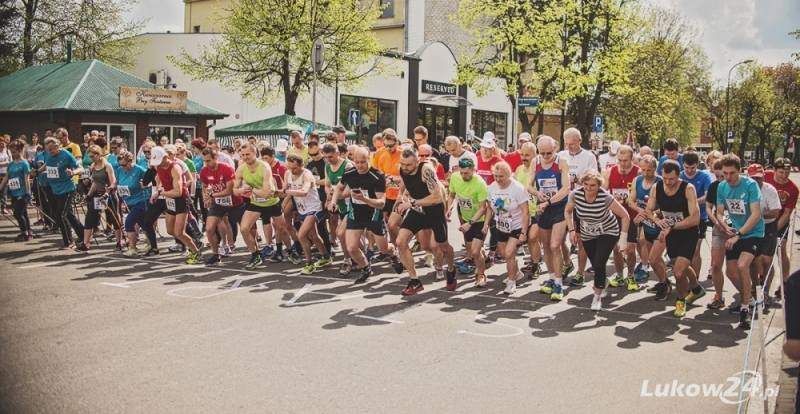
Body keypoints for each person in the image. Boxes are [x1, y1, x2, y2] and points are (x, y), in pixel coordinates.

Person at [645, 159, 706, 317]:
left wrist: (672, 226)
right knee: (679, 266)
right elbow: (649, 210)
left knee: (678, 273)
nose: (668, 182)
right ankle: (697, 289)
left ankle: (681, 300)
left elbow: (695, 218)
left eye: (671, 179)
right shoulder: (657, 187)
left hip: (688, 233)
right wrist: (658, 221)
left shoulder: (688, 189)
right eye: (665, 178)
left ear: (679, 176)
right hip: (670, 233)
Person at [332, 147, 402, 283]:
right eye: (356, 162)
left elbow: (382, 203)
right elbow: (340, 187)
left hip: (373, 216)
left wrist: (365, 199)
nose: (359, 165)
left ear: (369, 158)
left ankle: (394, 253)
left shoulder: (377, 176)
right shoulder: (350, 172)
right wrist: (334, 201)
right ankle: (366, 267)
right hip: (355, 214)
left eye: (363, 162)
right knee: (351, 248)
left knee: (383, 248)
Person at [566, 169, 631, 310]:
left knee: (600, 263)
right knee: (596, 265)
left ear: (599, 186)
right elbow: (567, 211)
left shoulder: (605, 197)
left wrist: (623, 239)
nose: (589, 188)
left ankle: (597, 297)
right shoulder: (576, 195)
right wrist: (571, 230)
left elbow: (625, 215)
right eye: (586, 185)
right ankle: (602, 281)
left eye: (593, 186)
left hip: (608, 230)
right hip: (588, 232)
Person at [395, 147, 456, 295]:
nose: (405, 167)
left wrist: (411, 203)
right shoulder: (403, 168)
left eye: (408, 165)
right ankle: (414, 280)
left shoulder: (426, 170)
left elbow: (436, 198)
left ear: (417, 161)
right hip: (418, 210)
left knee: (443, 246)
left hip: (434, 211)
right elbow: (404, 179)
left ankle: (451, 269)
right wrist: (400, 196)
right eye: (402, 164)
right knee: (401, 241)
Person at [715, 154, 764, 329]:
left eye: (732, 173)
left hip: (753, 232)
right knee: (731, 272)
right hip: (734, 232)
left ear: (740, 171)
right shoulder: (722, 187)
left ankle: (745, 311)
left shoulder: (750, 186)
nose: (728, 177)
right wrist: (724, 225)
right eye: (725, 173)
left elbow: (756, 214)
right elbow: (719, 212)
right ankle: (750, 300)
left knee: (743, 266)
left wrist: (739, 234)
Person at [527, 135, 571, 301]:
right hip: (543, 207)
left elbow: (566, 188)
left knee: (554, 246)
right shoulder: (535, 162)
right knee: (545, 245)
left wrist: (549, 202)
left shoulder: (562, 161)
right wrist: (537, 193)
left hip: (559, 207)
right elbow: (529, 185)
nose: (545, 156)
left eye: (549, 153)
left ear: (555, 148)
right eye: (542, 153)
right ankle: (552, 278)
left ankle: (559, 284)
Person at [235, 143, 287, 269]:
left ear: (254, 153)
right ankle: (255, 255)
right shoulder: (241, 169)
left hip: (271, 202)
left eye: (247, 154)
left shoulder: (264, 167)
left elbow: (265, 194)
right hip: (256, 203)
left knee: (282, 229)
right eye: (242, 155)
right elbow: (235, 190)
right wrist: (242, 189)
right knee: (244, 229)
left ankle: (286, 250)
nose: (245, 157)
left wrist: (250, 189)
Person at [278, 154, 332, 274]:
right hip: (302, 208)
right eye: (290, 168)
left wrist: (284, 191)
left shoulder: (307, 175)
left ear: (302, 165)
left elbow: (303, 192)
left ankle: (309, 263)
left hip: (313, 207)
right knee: (313, 236)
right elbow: (286, 192)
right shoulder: (288, 174)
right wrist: (281, 201)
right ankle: (326, 256)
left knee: (301, 235)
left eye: (295, 168)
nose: (292, 171)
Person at [147, 146, 202, 264]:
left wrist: (161, 192)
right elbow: (159, 179)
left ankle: (196, 252)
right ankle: (193, 241)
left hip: (182, 200)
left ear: (166, 157)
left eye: (159, 161)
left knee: (179, 232)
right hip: (170, 200)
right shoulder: (159, 166)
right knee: (170, 231)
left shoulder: (175, 168)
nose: (158, 164)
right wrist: (159, 187)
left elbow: (178, 191)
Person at [557, 127, 598, 286]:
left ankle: (580, 272)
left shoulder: (589, 156)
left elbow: (593, 178)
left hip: (581, 200)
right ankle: (568, 262)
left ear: (580, 141)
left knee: (581, 239)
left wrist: (576, 179)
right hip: (563, 200)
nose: (569, 147)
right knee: (559, 237)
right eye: (566, 144)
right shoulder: (561, 155)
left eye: (572, 144)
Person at [628, 155, 670, 300]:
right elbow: (630, 200)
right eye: (643, 170)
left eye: (649, 170)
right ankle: (664, 281)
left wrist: (648, 214)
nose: (646, 173)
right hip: (646, 226)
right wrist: (642, 212)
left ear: (655, 169)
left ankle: (664, 284)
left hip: (660, 225)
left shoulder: (661, 183)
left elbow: (666, 207)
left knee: (653, 259)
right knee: (656, 259)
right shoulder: (637, 180)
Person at [486, 161, 530, 295]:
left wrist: (523, 232)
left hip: (516, 225)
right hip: (501, 225)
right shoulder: (493, 187)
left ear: (509, 175)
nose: (498, 179)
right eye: (496, 176)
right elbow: (489, 208)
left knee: (510, 253)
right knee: (505, 254)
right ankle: (516, 273)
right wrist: (485, 224)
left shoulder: (517, 188)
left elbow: (526, 212)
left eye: (501, 176)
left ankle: (512, 282)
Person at [199, 147, 246, 267]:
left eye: (209, 160)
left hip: (234, 202)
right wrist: (206, 197)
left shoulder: (226, 168)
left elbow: (229, 190)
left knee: (246, 229)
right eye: (204, 161)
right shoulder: (204, 170)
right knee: (209, 228)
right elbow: (205, 186)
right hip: (218, 202)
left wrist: (211, 195)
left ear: (216, 158)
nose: (207, 163)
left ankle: (255, 253)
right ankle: (216, 256)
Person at [602, 144, 640, 291]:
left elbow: (640, 195)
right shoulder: (610, 171)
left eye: (626, 160)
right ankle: (619, 275)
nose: (623, 164)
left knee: (630, 249)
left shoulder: (638, 173)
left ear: (632, 158)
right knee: (616, 249)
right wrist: (613, 197)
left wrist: (628, 200)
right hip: (614, 216)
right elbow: (603, 191)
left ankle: (630, 274)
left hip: (631, 216)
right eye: (620, 160)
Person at [447, 157, 490, 286]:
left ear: (473, 170)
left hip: (479, 220)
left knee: (475, 251)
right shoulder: (455, 177)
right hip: (465, 217)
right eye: (461, 173)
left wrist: (470, 223)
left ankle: (481, 275)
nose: (464, 176)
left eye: (466, 173)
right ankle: (486, 259)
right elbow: (452, 194)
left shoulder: (480, 183)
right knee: (472, 249)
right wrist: (449, 208)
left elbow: (483, 208)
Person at [41, 136, 85, 248]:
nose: (49, 151)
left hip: (67, 188)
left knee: (60, 215)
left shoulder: (66, 155)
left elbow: (81, 169)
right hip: (55, 188)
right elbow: (47, 164)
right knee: (68, 214)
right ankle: (83, 234)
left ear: (57, 146)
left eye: (51, 149)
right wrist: (38, 171)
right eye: (47, 149)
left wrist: (73, 172)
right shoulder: (48, 154)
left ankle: (68, 241)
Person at [75, 145, 121, 252]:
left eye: (93, 156)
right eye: (89, 156)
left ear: (99, 154)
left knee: (114, 218)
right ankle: (86, 243)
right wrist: (88, 195)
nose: (91, 158)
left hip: (108, 195)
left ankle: (119, 242)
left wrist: (107, 193)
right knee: (89, 218)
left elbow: (113, 182)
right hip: (97, 195)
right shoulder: (93, 166)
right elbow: (95, 183)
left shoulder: (107, 166)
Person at [746, 164, 780, 305]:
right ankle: (754, 285)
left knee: (766, 260)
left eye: (758, 178)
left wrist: (755, 215)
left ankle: (765, 288)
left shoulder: (769, 190)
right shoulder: (744, 189)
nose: (755, 181)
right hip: (751, 227)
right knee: (752, 259)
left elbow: (774, 212)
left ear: (763, 177)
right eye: (752, 178)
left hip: (768, 226)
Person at [764, 158, 798, 298]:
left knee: (781, 248)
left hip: (780, 222)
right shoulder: (765, 177)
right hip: (763, 220)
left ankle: (784, 281)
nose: (784, 176)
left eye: (787, 172)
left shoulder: (793, 189)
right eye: (781, 172)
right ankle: (763, 281)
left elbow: (787, 213)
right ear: (774, 170)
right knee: (764, 254)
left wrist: (774, 229)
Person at [679, 150, 713, 280]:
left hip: (701, 216)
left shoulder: (704, 177)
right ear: (683, 165)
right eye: (686, 167)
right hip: (683, 217)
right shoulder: (680, 176)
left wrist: (691, 202)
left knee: (695, 249)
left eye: (692, 168)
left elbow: (707, 196)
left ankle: (696, 278)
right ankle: (686, 277)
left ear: (698, 164)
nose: (689, 171)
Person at [513, 142, 542, 278]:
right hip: (523, 212)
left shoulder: (539, 170)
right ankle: (533, 261)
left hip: (536, 210)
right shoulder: (519, 170)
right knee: (529, 240)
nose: (524, 158)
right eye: (522, 155)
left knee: (533, 238)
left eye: (527, 155)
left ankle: (536, 266)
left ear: (535, 155)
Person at [112, 151, 149, 257]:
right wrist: (112, 187)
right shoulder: (120, 170)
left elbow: (150, 180)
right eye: (120, 164)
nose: (123, 167)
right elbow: (117, 181)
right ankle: (151, 244)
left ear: (130, 161)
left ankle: (132, 248)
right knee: (143, 223)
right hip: (129, 201)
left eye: (124, 164)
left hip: (142, 200)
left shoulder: (139, 170)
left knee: (129, 222)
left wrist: (145, 185)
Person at [705, 160, 727, 308]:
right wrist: (716, 221)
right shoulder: (714, 187)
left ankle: (749, 295)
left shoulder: (741, 186)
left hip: (737, 230)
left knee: (736, 269)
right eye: (717, 176)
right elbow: (708, 207)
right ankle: (719, 296)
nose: (720, 180)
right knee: (716, 265)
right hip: (719, 228)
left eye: (722, 176)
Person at [0, 140, 32, 240]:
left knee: (17, 213)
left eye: (14, 152)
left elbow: (26, 179)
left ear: (20, 151)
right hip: (14, 191)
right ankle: (28, 232)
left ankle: (25, 233)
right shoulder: (11, 164)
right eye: (12, 152)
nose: (13, 154)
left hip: (22, 192)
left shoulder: (24, 164)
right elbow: (6, 177)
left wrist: (27, 193)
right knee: (23, 213)